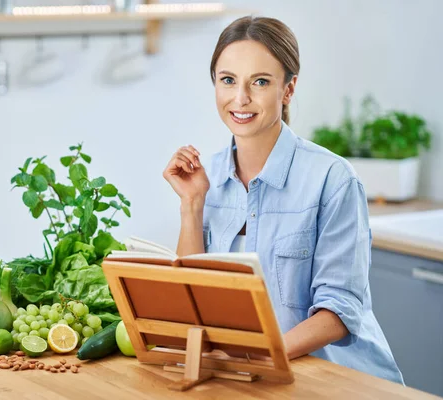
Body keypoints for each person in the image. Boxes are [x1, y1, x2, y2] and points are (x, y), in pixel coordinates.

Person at [162, 15, 404, 384]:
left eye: (260, 82)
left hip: (337, 380)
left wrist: (258, 356)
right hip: (249, 376)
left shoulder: (332, 179)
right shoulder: (205, 177)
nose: (240, 98)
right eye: (228, 80)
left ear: (288, 89)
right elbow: (195, 299)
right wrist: (192, 206)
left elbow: (340, 310)